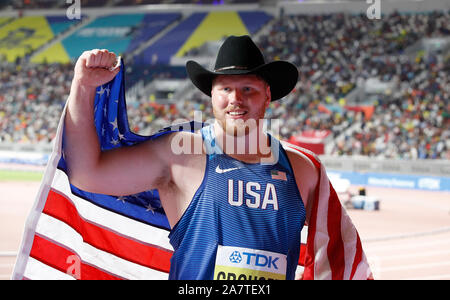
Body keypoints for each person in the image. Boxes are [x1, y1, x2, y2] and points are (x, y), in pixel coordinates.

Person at [64, 35, 370, 280]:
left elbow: (334, 256)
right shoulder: (182, 153)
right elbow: (86, 174)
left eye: (247, 88)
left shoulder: (302, 169)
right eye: (225, 89)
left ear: (267, 96)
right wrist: (83, 87)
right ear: (212, 96)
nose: (235, 99)